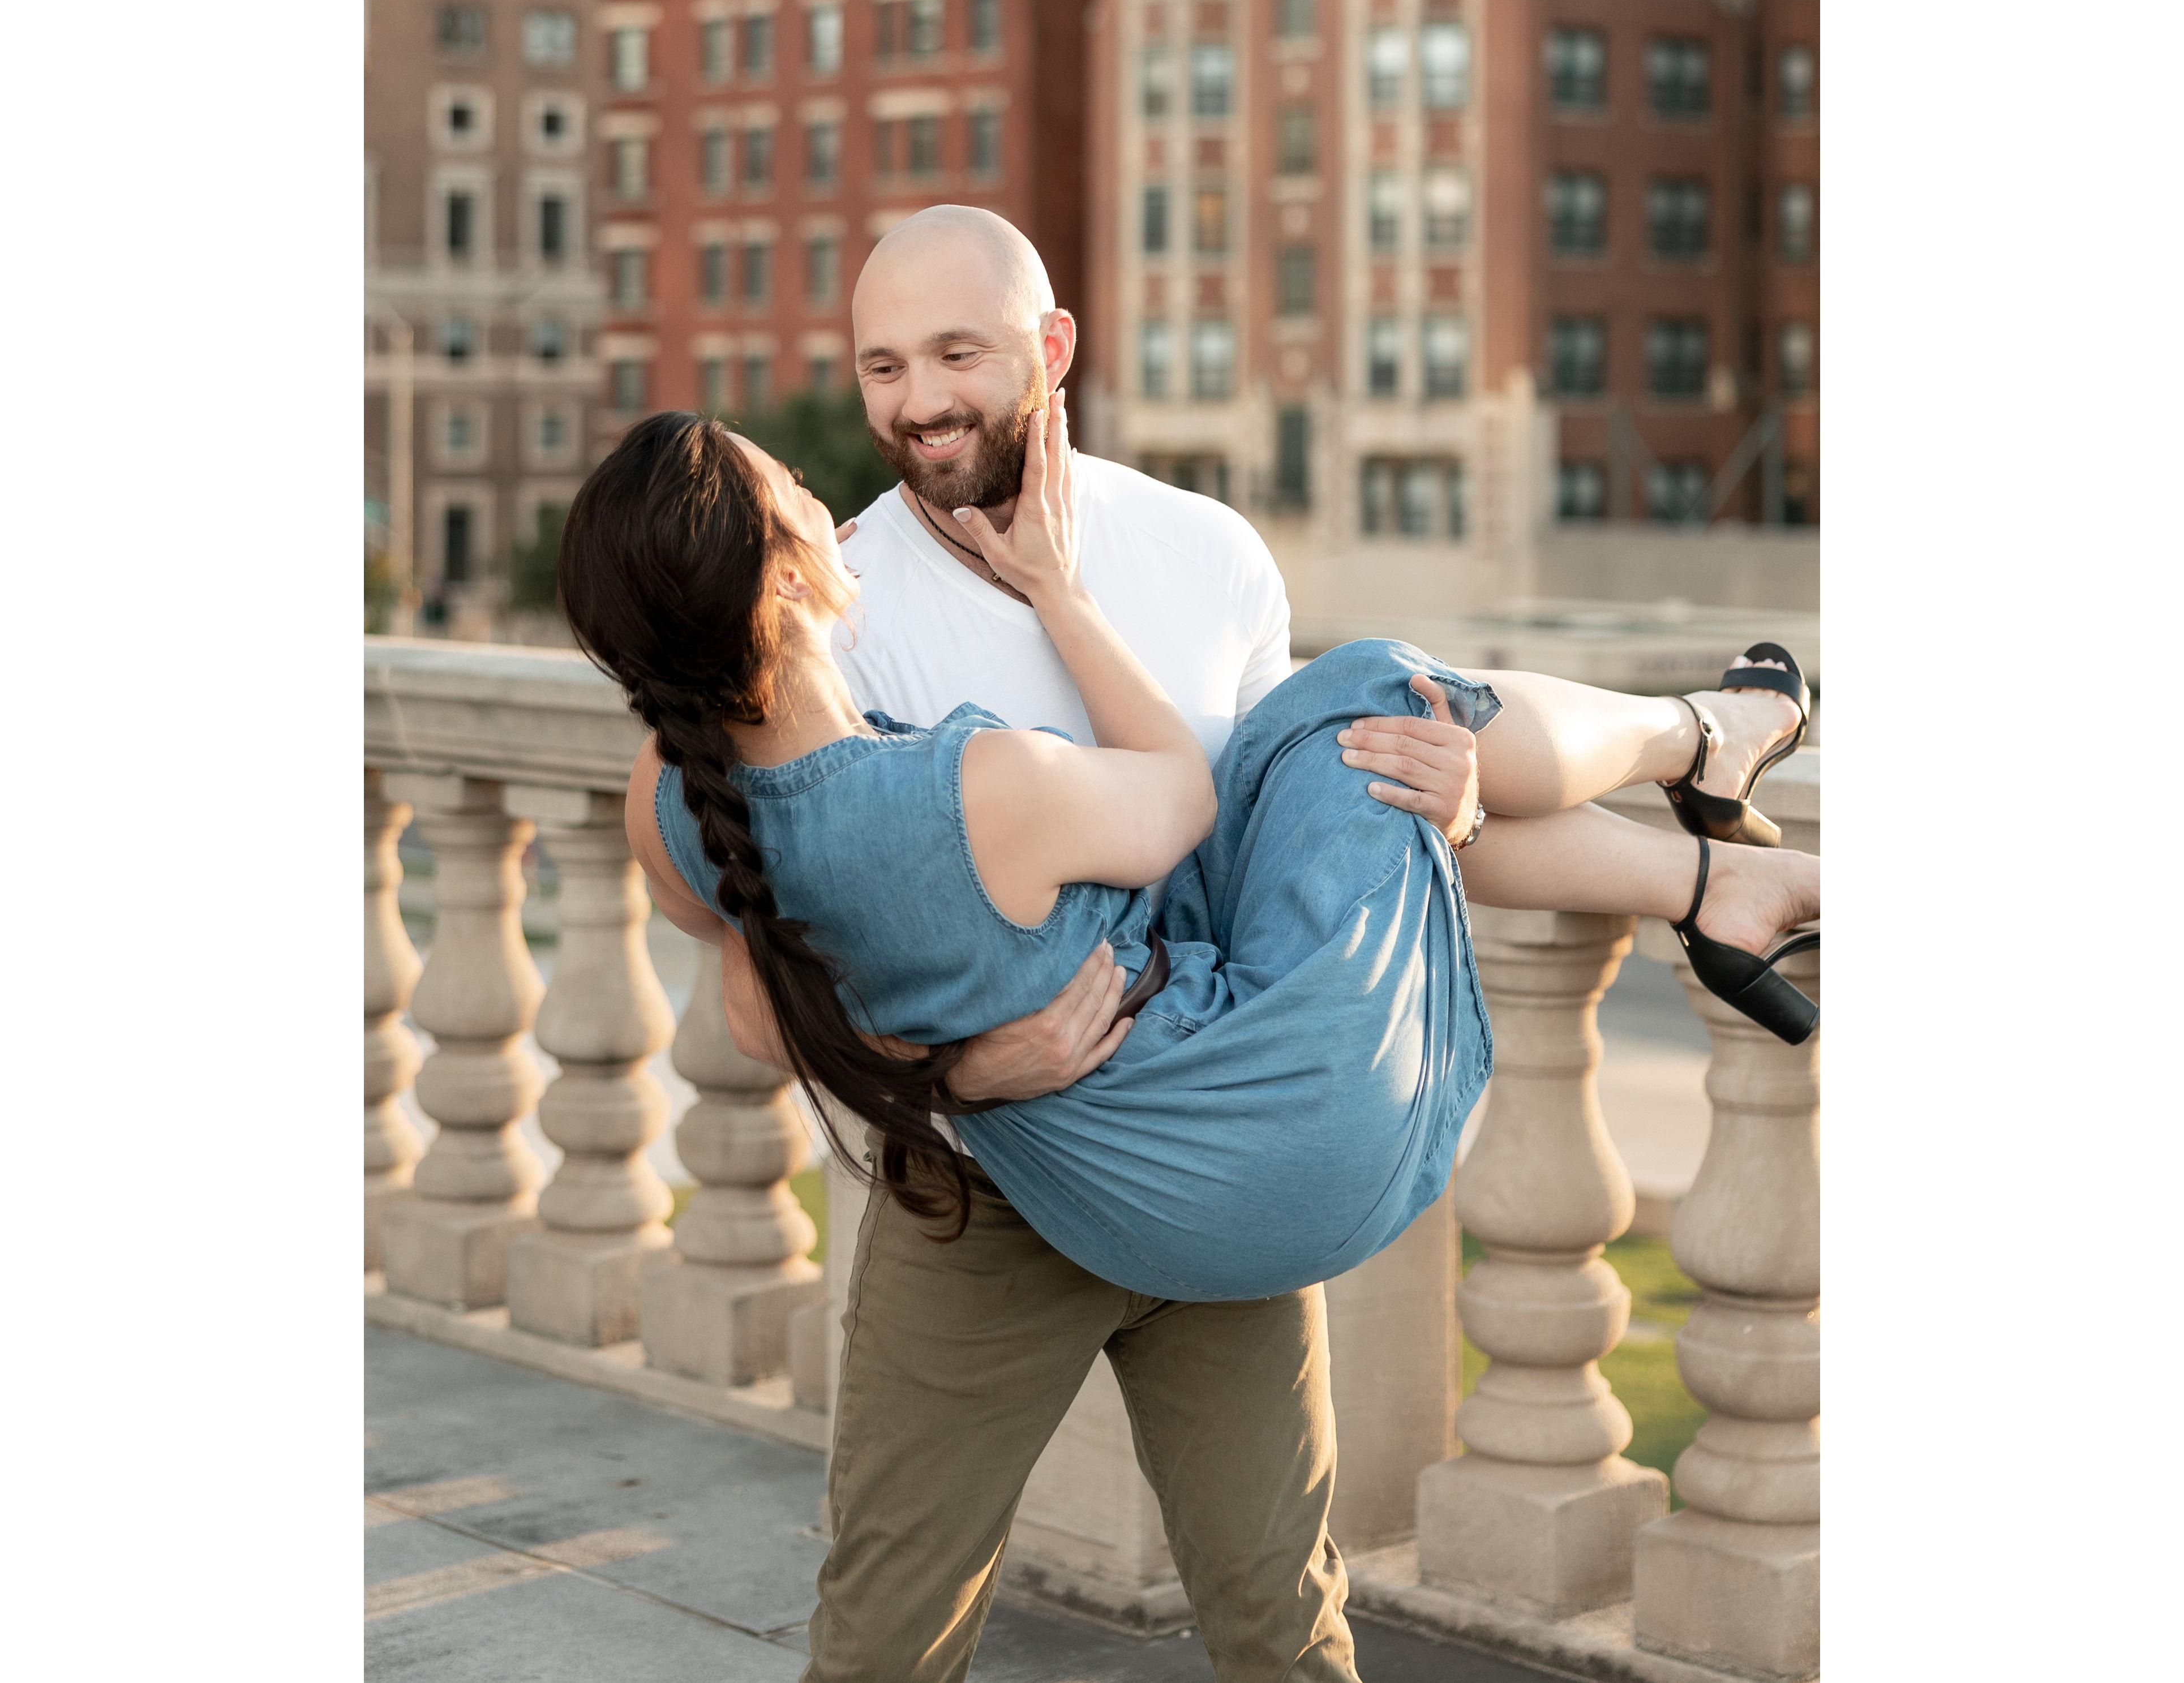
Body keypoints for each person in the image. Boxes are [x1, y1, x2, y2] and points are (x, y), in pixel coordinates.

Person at [560, 208, 1821, 1681]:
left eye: (956, 354)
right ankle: (1703, 756)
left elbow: (1282, 834)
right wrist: (966, 1069)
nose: (915, 404)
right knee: (887, 1626)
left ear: (1052, 348)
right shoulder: (846, 600)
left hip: (1215, 1121)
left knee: (1279, 1615)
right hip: (987, 1196)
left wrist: (1456, 802)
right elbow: (759, 964)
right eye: (881, 368)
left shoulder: (1204, 551)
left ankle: (1703, 847)